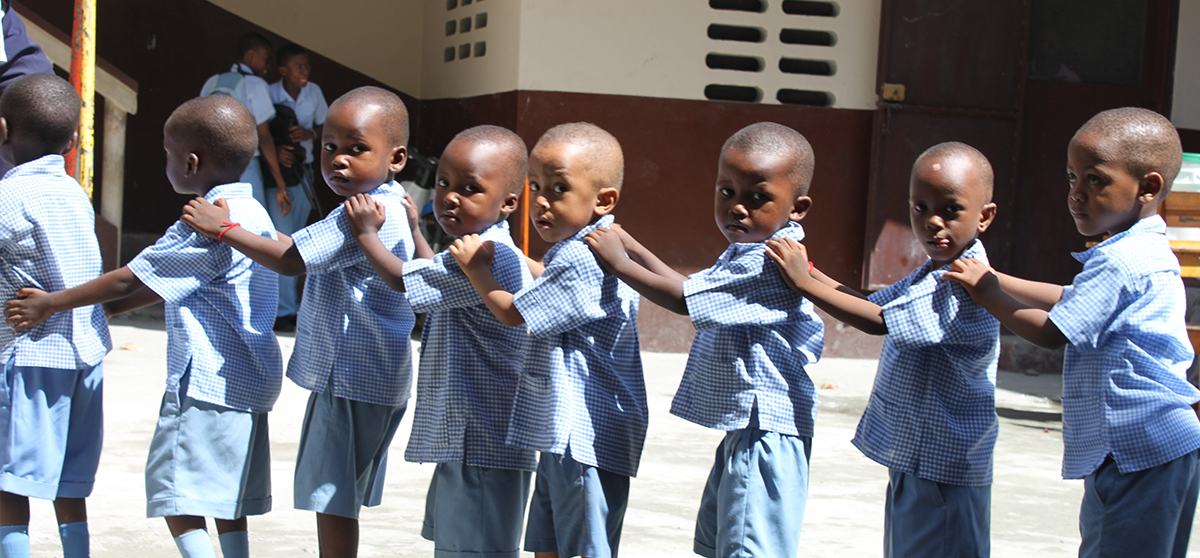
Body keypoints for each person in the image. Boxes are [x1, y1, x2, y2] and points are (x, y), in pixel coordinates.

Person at [5, 94, 283, 558]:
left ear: (191, 162)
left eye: (167, 155)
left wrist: (52, 303)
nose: (166, 164)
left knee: (177, 496)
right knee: (226, 494)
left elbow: (126, 278)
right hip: (250, 379)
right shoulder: (252, 217)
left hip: (205, 383)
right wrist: (115, 311)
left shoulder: (203, 219)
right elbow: (170, 280)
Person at [944, 107, 1200, 558]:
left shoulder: (1120, 260)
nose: (1076, 195)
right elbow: (1072, 297)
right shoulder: (1144, 248)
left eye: (1095, 180)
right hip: (1159, 446)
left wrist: (988, 295)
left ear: (1149, 187)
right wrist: (995, 276)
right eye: (1071, 179)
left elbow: (1053, 331)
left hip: (1135, 446)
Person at [179, 86, 417, 558]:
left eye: (356, 149)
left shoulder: (361, 213)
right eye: (329, 147)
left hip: (350, 378)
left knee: (332, 497)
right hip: (378, 376)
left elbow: (290, 259)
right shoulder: (391, 201)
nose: (339, 161)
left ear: (397, 158)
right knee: (340, 495)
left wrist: (222, 228)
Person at [584, 122, 823, 558]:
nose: (737, 208)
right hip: (747, 425)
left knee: (748, 548)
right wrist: (635, 249)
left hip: (764, 428)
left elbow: (683, 301)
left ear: (797, 207)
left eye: (757, 197)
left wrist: (620, 264)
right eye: (726, 191)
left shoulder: (768, 262)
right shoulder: (748, 251)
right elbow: (692, 287)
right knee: (723, 543)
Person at [767, 141, 1000, 557]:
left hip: (944, 462)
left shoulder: (962, 281)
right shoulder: (933, 271)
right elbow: (872, 304)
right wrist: (812, 272)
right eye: (919, 207)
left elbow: (878, 322)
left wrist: (803, 283)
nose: (932, 222)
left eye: (950, 210)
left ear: (984, 217)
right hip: (918, 456)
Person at [451, 122, 645, 558]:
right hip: (566, 431)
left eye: (558, 188)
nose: (540, 200)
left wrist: (477, 269)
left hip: (585, 433)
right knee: (550, 541)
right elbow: (551, 284)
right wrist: (523, 261)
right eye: (535, 185)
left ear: (604, 199)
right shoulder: (587, 246)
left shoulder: (580, 256)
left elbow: (512, 313)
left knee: (578, 546)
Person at [344, 125, 535, 558]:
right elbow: (439, 284)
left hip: (481, 439)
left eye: (470, 189)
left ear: (508, 203)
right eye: (444, 182)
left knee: (474, 548)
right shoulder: (474, 253)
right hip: (473, 437)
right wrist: (415, 232)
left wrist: (366, 234)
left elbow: (400, 280)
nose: (450, 196)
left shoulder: (488, 256)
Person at [0, 74, 109, 558]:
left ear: (2, 130)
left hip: (27, 358)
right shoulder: (76, 196)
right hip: (85, 356)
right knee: (70, 483)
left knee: (10, 484)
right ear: (71, 141)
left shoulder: (7, 199)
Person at [267, 42, 326, 331]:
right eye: (298, 67)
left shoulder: (313, 92)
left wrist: (308, 134)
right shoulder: (269, 92)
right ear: (283, 71)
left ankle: (291, 309)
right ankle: (281, 310)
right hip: (276, 175)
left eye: (307, 66)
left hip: (303, 172)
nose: (305, 71)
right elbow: (260, 131)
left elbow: (327, 128)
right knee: (279, 238)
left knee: (295, 241)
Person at [200, 32, 288, 215]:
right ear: (250, 55)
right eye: (266, 58)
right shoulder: (255, 84)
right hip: (245, 164)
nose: (268, 65)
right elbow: (264, 137)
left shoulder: (212, 81)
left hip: (212, 164)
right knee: (251, 218)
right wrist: (280, 183)